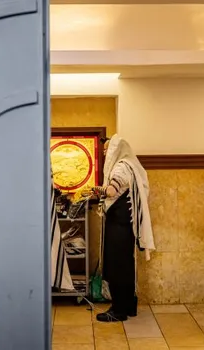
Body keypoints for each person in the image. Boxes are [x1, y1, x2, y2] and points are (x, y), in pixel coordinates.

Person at [91, 135, 154, 322]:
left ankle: (118, 310)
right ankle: (128, 306)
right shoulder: (131, 165)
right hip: (126, 225)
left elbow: (111, 191)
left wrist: (96, 189)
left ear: (116, 150)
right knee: (126, 265)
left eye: (107, 149)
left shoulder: (120, 167)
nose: (105, 153)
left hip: (118, 226)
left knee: (116, 266)